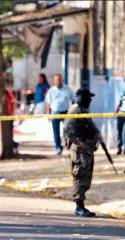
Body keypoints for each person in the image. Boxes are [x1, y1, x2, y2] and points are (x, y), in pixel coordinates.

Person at [63, 88, 100, 217]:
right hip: (79, 150)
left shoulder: (83, 111)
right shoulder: (75, 110)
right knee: (80, 175)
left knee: (86, 176)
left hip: (87, 149)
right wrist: (80, 143)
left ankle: (81, 204)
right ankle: (79, 206)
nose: (90, 100)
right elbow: (67, 130)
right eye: (88, 98)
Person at [45, 74, 75, 155]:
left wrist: (73, 110)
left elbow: (73, 99)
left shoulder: (67, 89)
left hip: (65, 112)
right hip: (55, 112)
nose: (58, 81)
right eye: (56, 80)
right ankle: (58, 147)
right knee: (56, 132)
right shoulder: (51, 90)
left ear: (62, 80)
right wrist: (48, 113)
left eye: (59, 79)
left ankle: (67, 144)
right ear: (54, 81)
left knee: (67, 129)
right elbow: (48, 102)